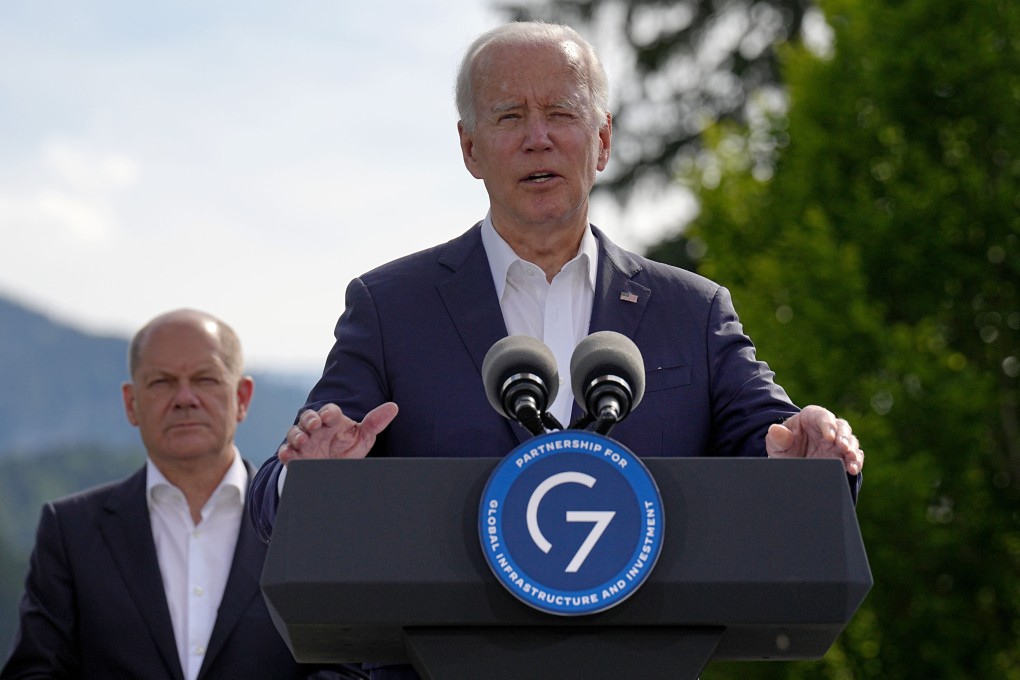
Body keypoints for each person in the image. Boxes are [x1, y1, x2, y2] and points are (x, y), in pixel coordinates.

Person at [248, 21, 864, 679]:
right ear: (470, 147)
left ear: (601, 141)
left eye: (561, 113)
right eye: (509, 115)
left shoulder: (692, 310)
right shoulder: (390, 306)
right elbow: (274, 496)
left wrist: (809, 454)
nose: (537, 137)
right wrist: (309, 474)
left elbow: (773, 444)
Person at [1, 309, 364, 680]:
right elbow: (33, 673)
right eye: (161, 382)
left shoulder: (308, 524)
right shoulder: (70, 531)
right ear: (131, 403)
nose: (184, 397)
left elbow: (350, 669)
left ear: (242, 396)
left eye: (205, 379)